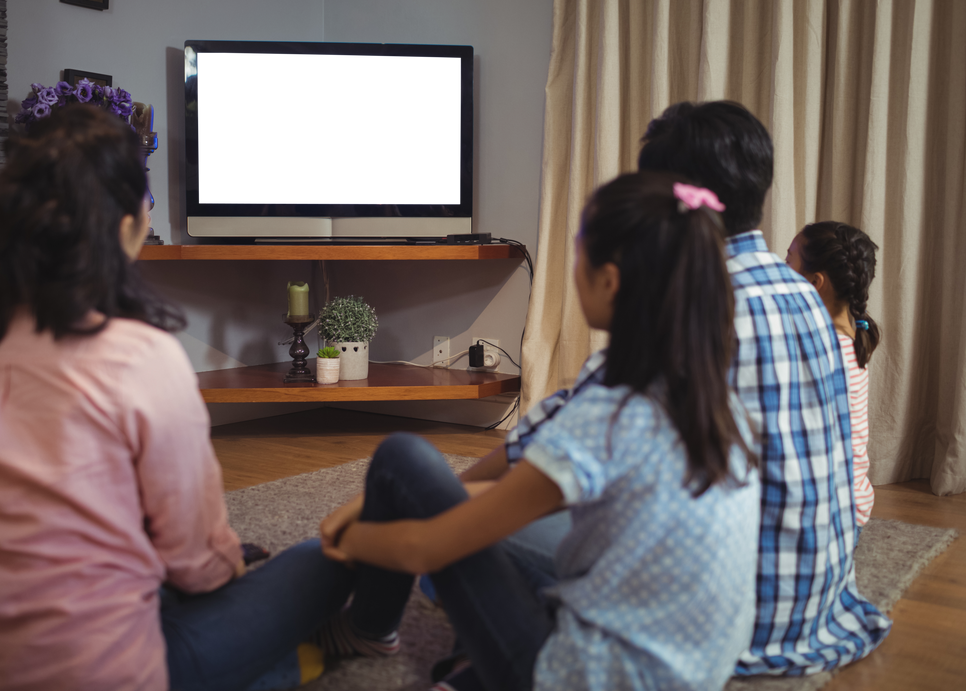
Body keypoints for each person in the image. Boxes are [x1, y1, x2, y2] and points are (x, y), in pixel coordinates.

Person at [0, 104, 357, 691]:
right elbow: (198, 565)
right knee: (323, 559)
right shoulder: (140, 355)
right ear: (127, 222)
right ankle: (277, 667)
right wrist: (231, 564)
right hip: (108, 672)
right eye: (145, 196)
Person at [316, 172, 762, 691]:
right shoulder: (717, 401)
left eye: (578, 250)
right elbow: (511, 500)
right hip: (690, 674)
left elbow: (424, 549)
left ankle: (369, 629)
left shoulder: (614, 413)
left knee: (402, 457)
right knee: (510, 537)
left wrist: (348, 534)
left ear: (610, 281)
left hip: (580, 679)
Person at [638, 100, 891, 675]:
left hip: (729, 617)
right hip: (820, 595)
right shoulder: (807, 299)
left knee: (450, 507)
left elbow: (570, 451)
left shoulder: (693, 300)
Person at [786, 222, 881, 528]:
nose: (781, 269)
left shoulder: (823, 351)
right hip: (853, 502)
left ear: (815, 282)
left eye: (788, 262)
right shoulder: (851, 336)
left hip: (832, 515)